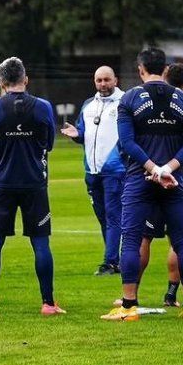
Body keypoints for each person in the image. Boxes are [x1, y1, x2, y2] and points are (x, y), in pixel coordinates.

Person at [101, 48, 183, 322]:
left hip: (138, 178)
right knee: (182, 241)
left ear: (141, 69)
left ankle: (129, 306)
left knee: (132, 240)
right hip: (174, 180)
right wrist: (168, 169)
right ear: (164, 67)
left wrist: (153, 168)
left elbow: (127, 143)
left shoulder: (130, 98)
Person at [0, 57, 63, 316]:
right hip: (34, 183)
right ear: (26, 79)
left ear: (0, 82)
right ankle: (48, 303)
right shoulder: (44, 107)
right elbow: (49, 143)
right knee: (40, 242)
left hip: (1, 184)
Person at [132, 62, 183, 307]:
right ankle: (174, 294)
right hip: (179, 177)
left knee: (143, 237)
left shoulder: (144, 105)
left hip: (148, 175)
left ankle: (131, 295)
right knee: (179, 238)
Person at [60, 66, 125, 275]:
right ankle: (115, 259)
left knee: (113, 216)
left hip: (115, 169)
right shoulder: (88, 105)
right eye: (99, 80)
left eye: (107, 80)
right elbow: (84, 133)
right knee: (102, 216)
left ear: (116, 80)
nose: (103, 84)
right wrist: (76, 134)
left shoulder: (125, 102)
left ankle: (111, 261)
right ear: (94, 81)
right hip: (91, 170)